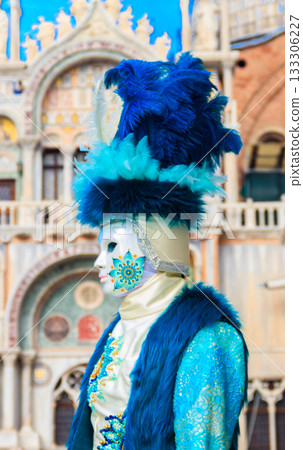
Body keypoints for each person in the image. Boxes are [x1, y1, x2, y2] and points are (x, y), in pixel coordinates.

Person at [67, 53, 248, 449]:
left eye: (113, 246)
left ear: (155, 244)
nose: (100, 259)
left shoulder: (208, 340)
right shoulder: (119, 330)